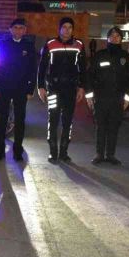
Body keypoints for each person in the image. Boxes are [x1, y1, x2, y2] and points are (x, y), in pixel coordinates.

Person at [38, 17, 87, 163]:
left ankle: (64, 152)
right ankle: (53, 152)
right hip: (53, 89)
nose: (67, 30)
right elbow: (42, 68)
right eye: (64, 27)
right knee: (53, 120)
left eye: (69, 27)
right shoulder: (50, 44)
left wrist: (82, 87)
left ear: (73, 30)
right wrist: (41, 87)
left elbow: (83, 69)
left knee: (67, 121)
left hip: (71, 90)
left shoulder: (79, 45)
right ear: (59, 29)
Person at [0, 18, 37, 161]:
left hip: (21, 89)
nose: (18, 30)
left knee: (20, 120)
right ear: (10, 30)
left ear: (25, 30)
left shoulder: (29, 46)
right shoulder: (3, 45)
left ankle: (17, 151)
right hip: (4, 87)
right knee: (2, 120)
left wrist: (30, 89)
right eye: (15, 27)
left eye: (21, 28)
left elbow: (32, 69)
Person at [85, 26, 129, 165]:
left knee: (114, 127)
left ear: (121, 39)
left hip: (118, 99)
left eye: (117, 36)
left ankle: (110, 155)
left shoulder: (126, 57)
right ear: (107, 38)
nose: (114, 38)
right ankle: (99, 154)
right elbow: (90, 76)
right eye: (112, 36)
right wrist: (89, 96)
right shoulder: (99, 55)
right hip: (101, 98)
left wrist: (127, 99)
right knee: (100, 127)